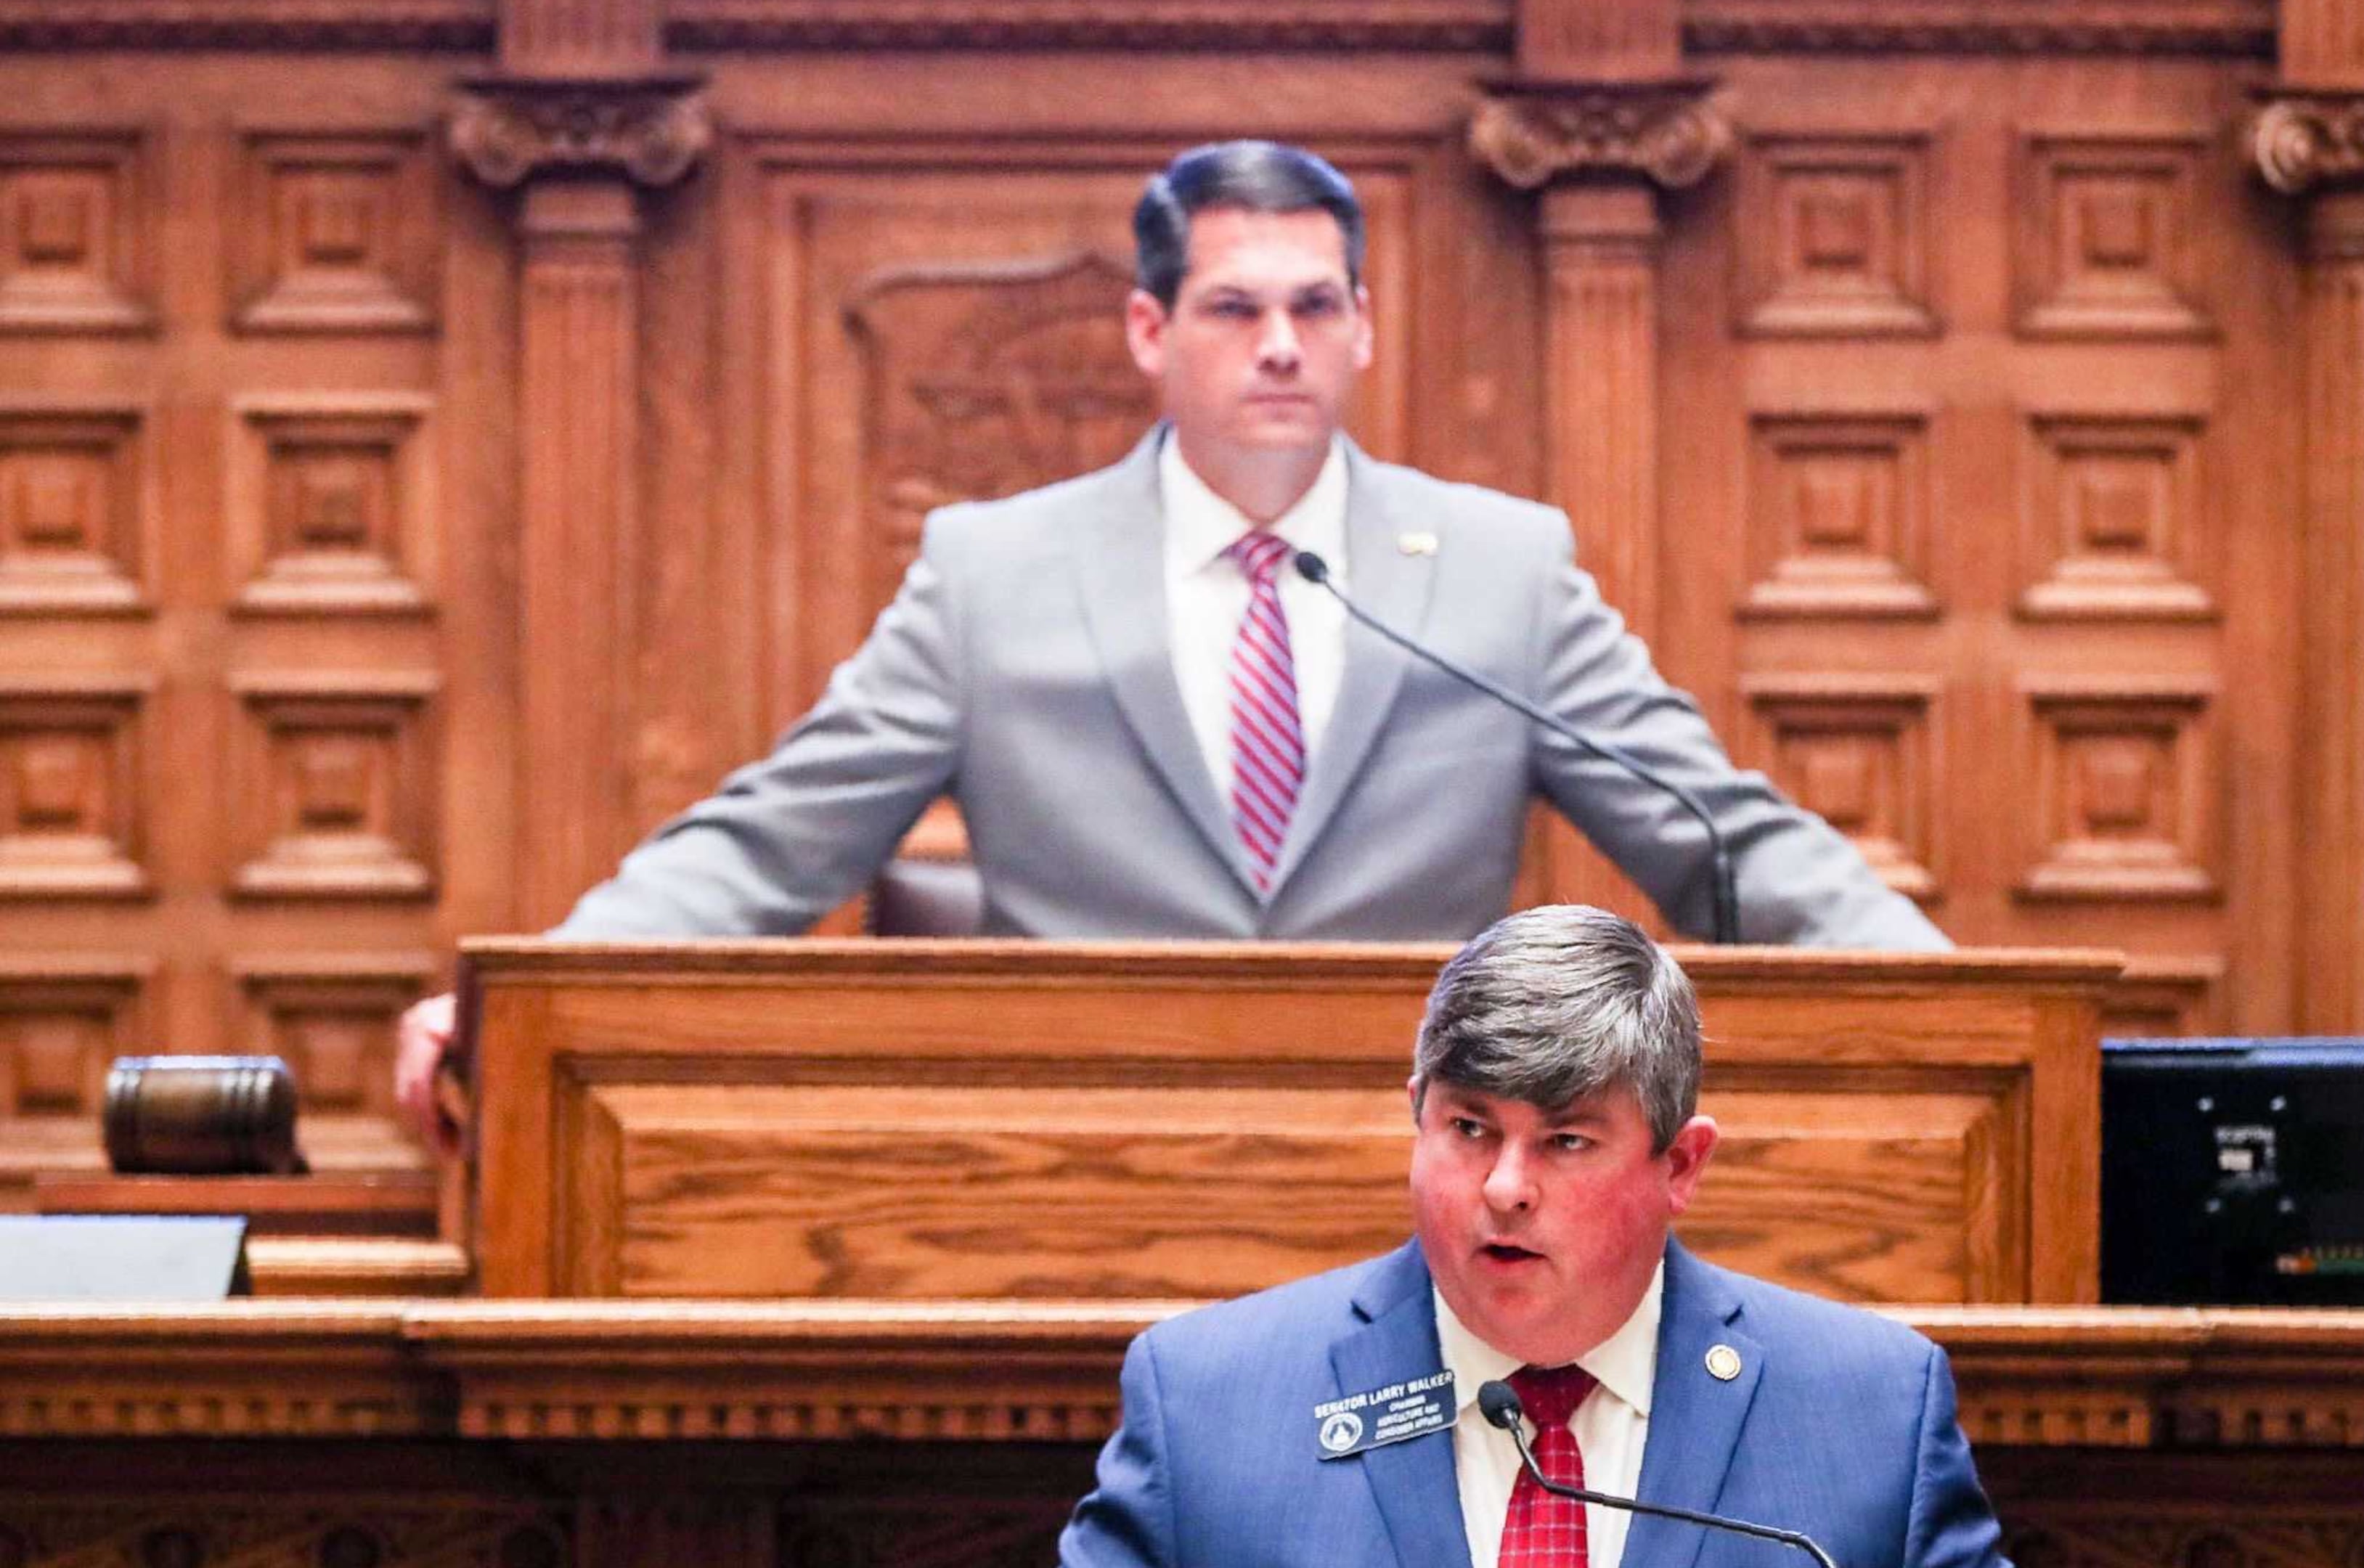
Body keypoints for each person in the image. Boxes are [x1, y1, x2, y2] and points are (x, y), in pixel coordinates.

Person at [394, 141, 1944, 1148]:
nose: (1279, 346)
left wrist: (1954, 998)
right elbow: (769, 844)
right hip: (1079, 1157)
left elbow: (1721, 835)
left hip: (1427, 1169)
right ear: (1151, 331)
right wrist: (523, 999)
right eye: (1232, 308)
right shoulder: (994, 574)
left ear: (1364, 327)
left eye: (1314, 307)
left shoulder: (1500, 570)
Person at [1059, 904, 2007, 1568]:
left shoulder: (1872, 1416)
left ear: (1680, 1165)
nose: (1505, 1188)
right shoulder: (1208, 1406)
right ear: (1417, 1115)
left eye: (1566, 1141)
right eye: (1470, 1128)